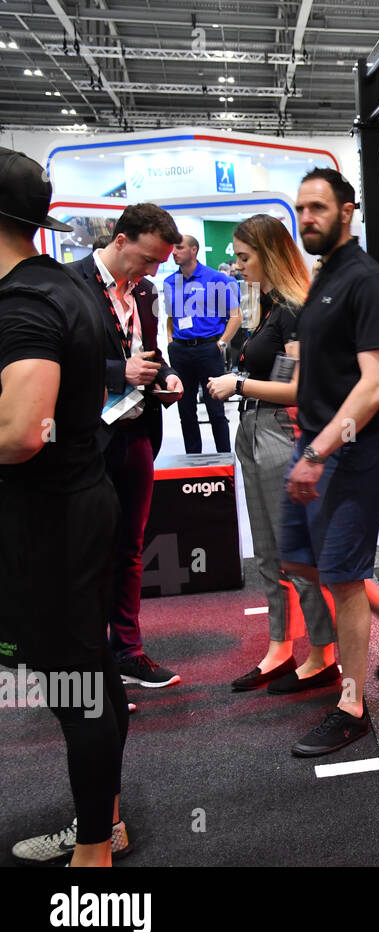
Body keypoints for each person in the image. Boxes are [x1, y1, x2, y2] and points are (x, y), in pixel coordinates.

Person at [0, 148, 131, 866]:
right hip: (79, 503)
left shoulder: (24, 303)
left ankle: (92, 856)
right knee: (92, 675)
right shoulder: (62, 286)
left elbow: (21, 432)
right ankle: (104, 824)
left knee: (77, 683)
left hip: (50, 519)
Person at [279, 169, 379, 757]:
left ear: (347, 211)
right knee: (299, 561)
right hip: (312, 443)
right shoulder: (325, 276)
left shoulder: (366, 281)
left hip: (347, 452)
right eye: (301, 208)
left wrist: (319, 452)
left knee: (341, 579)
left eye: (317, 208)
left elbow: (376, 384)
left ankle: (351, 705)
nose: (306, 218)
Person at [205, 215, 339, 693]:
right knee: (267, 553)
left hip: (281, 431)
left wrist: (237, 383)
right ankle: (280, 646)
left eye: (244, 258)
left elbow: (297, 388)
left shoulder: (295, 309)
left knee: (294, 554)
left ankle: (323, 654)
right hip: (254, 427)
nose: (237, 266)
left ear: (270, 254)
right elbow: (245, 346)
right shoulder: (258, 302)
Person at [69, 203, 185, 688]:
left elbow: (152, 354)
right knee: (85, 550)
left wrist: (168, 376)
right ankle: (85, 662)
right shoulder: (69, 286)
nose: (154, 270)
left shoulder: (147, 292)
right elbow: (55, 362)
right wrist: (119, 373)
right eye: (149, 258)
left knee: (130, 549)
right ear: (120, 241)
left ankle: (128, 652)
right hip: (86, 438)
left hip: (137, 431)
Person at [162, 235, 240, 453]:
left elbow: (236, 315)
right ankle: (192, 460)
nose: (174, 252)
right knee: (185, 410)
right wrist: (170, 340)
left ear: (194, 250)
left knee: (215, 409)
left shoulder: (217, 279)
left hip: (208, 349)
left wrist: (222, 343)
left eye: (180, 248)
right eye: (173, 248)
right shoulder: (169, 282)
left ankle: (224, 458)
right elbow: (171, 316)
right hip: (180, 350)